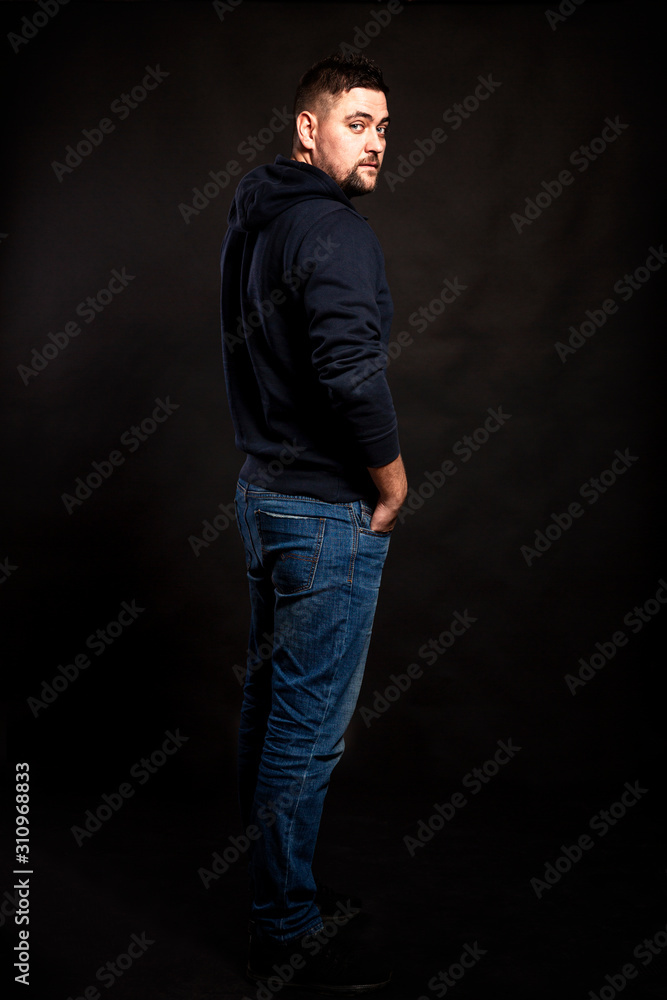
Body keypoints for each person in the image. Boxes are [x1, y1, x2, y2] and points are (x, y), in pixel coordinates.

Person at [220, 52, 407, 993]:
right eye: (356, 123)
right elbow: (345, 369)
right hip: (322, 508)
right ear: (308, 128)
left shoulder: (256, 221)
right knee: (306, 729)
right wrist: (393, 479)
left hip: (262, 492)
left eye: (381, 126)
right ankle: (284, 931)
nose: (376, 141)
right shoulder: (332, 231)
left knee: (270, 712)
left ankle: (271, 898)